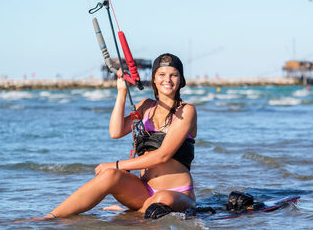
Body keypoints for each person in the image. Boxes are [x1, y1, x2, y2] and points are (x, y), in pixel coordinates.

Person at [36, 53, 197, 220]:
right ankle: (48, 219)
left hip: (176, 194)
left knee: (159, 199)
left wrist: (116, 164)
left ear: (181, 80)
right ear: (154, 79)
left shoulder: (186, 111)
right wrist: (121, 93)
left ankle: (128, 211)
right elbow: (116, 132)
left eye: (173, 75)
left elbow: (163, 155)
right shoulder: (145, 107)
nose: (167, 80)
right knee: (109, 176)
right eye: (162, 75)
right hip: (143, 190)